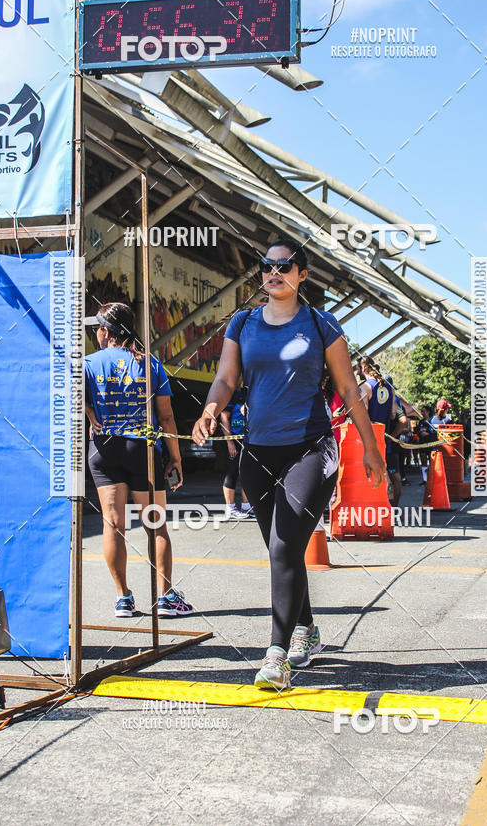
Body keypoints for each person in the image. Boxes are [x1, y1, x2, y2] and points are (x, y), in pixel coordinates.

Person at [192, 237, 385, 690]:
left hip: (311, 449)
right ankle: (307, 629)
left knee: (283, 547)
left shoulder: (320, 323)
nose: (273, 272)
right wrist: (210, 409)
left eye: (284, 265)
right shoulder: (242, 323)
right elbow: (226, 377)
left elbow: (349, 389)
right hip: (258, 453)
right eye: (266, 265)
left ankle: (276, 655)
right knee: (285, 549)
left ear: (302, 274)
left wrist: (370, 448)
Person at [85, 302, 194, 618]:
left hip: (103, 448)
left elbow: (67, 395)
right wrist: (176, 458)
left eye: (97, 328)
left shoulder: (88, 363)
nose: (95, 334)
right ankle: (165, 598)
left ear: (106, 331)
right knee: (155, 524)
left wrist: (90, 412)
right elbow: (167, 416)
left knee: (113, 524)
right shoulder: (150, 364)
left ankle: (123, 598)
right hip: (142, 448)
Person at [358, 359, 407, 504]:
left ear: (364, 369)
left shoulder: (365, 387)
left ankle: (373, 507)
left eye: (358, 369)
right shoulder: (388, 388)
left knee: (369, 476)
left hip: (367, 440)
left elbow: (362, 413)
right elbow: (393, 414)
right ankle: (388, 507)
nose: (357, 372)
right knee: (387, 475)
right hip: (384, 439)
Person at [219, 388, 253, 519]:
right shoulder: (229, 393)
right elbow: (224, 417)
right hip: (234, 438)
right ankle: (230, 508)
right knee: (232, 471)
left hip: (248, 438)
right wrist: (230, 442)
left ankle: (246, 506)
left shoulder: (246, 391)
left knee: (247, 472)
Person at [414, 404, 438, 484]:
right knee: (423, 460)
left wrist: (428, 434)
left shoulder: (433, 420)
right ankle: (425, 480)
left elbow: (437, 433)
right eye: (422, 411)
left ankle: (433, 479)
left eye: (424, 411)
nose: (422, 413)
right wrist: (420, 432)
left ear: (428, 412)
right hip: (422, 444)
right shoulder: (421, 421)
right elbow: (416, 431)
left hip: (431, 444)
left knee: (432, 461)